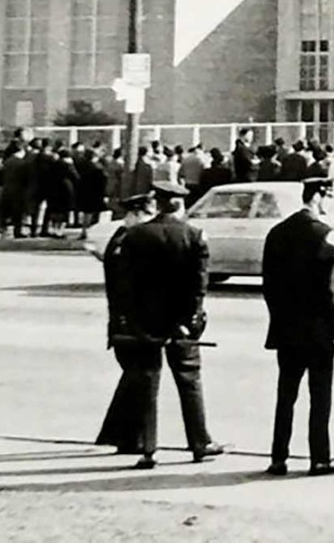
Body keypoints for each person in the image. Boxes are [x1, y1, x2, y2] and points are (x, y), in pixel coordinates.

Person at [122, 180, 226, 469]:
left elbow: (127, 285)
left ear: (157, 202)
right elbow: (198, 286)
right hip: (181, 323)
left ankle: (148, 448)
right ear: (180, 204)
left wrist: (135, 321)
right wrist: (188, 321)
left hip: (146, 321)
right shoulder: (193, 236)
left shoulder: (136, 236)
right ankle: (199, 443)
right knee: (189, 380)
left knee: (147, 382)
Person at [260, 176, 334, 477]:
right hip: (319, 329)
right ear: (319, 196)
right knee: (319, 396)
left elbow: (268, 285)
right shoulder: (326, 234)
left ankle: (278, 457)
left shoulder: (277, 233)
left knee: (286, 395)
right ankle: (319, 458)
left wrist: (279, 317)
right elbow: (332, 288)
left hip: (286, 328)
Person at [96, 192, 156, 454]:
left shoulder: (122, 239)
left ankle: (121, 435)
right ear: (135, 214)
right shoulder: (126, 242)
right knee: (140, 375)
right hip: (129, 322)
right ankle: (131, 438)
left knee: (135, 376)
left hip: (124, 321)